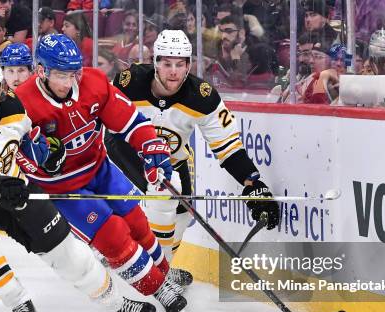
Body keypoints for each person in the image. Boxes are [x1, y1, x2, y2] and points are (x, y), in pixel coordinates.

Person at [0, 53, 159, 312]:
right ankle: (19, 302)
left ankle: (115, 302)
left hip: (14, 193)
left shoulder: (10, 104)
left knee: (70, 255)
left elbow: (31, 138)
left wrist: (49, 154)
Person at [14, 34, 188, 312]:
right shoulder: (20, 103)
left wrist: (151, 146)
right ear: (42, 71)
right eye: (60, 75)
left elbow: (129, 121)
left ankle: (165, 274)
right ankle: (159, 289)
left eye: (73, 73)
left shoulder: (93, 82)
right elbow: (13, 155)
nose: (69, 82)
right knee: (114, 235)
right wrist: (39, 162)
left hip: (100, 169)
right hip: (63, 189)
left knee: (137, 223)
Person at [106, 30, 280, 285]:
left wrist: (252, 183)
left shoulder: (203, 96)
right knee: (162, 196)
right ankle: (155, 278)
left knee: (182, 212)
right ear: (155, 62)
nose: (173, 72)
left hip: (172, 161)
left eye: (180, 64)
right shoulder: (128, 82)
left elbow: (229, 146)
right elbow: (104, 125)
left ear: (189, 65)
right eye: (166, 64)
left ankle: (157, 267)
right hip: (126, 152)